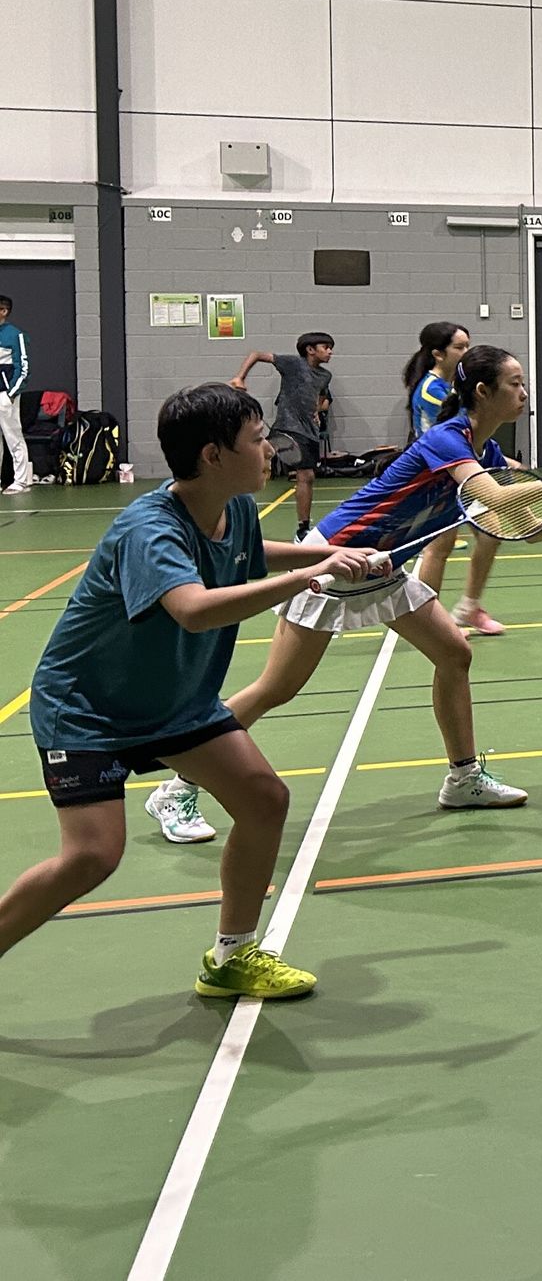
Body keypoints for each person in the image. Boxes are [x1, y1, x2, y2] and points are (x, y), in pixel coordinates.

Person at [141, 347, 542, 842]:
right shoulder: (447, 439)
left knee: (454, 653)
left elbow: (526, 526)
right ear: (483, 391)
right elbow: (492, 496)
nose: (524, 392)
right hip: (334, 560)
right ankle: (177, 787)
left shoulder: (487, 455)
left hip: (384, 567)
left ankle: (464, 778)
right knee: (276, 689)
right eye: (515, 383)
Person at [0, 385, 389, 998]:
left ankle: (232, 957)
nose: (270, 450)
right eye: (257, 440)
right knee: (92, 856)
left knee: (263, 800)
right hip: (88, 709)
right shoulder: (149, 528)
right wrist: (312, 575)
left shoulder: (233, 508)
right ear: (213, 455)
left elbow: (246, 551)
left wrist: (332, 551)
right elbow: (194, 610)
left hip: (172, 701)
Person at [401, 322, 509, 636]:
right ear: (438, 354)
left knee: (491, 534)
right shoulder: (431, 390)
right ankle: (429, 621)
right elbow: (464, 428)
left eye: (468, 345)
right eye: (459, 347)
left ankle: (469, 608)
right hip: (440, 480)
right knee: (439, 548)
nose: (466, 352)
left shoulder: (450, 387)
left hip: (465, 476)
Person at [232, 331, 336, 540]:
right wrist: (240, 377)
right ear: (310, 350)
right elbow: (256, 355)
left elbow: (321, 394)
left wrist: (317, 409)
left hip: (310, 432)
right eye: (325, 347)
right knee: (303, 475)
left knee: (307, 477)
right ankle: (302, 530)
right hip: (288, 428)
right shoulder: (293, 364)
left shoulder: (325, 375)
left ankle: (303, 527)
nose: (330, 352)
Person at [0, 294, 33, 494]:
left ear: (4, 311)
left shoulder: (15, 335)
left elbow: (24, 369)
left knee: (13, 437)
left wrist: (11, 394)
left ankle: (21, 481)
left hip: (5, 395)